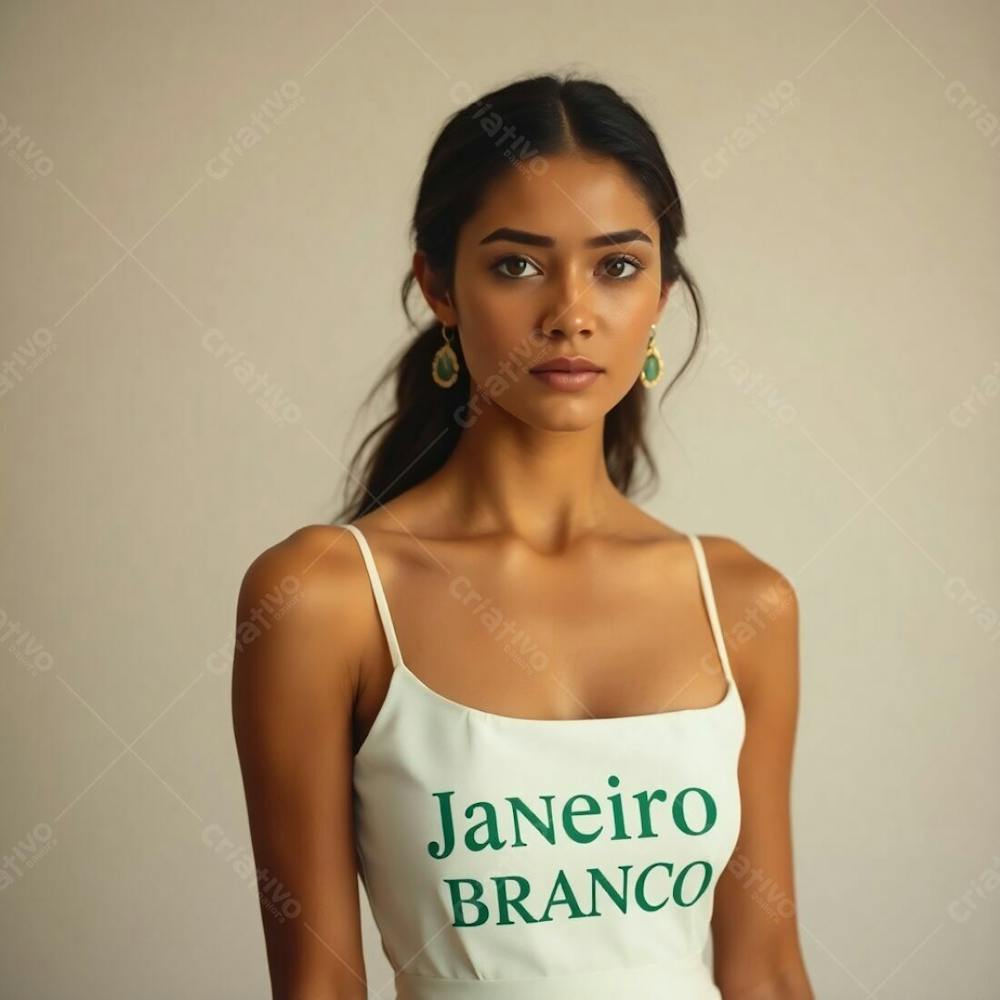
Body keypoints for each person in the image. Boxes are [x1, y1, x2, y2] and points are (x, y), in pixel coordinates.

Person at [232, 72, 813, 1000]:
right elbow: (318, 985)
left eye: (617, 265)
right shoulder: (323, 596)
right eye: (517, 264)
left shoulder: (744, 599)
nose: (570, 313)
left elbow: (769, 973)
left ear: (662, 290)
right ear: (439, 285)